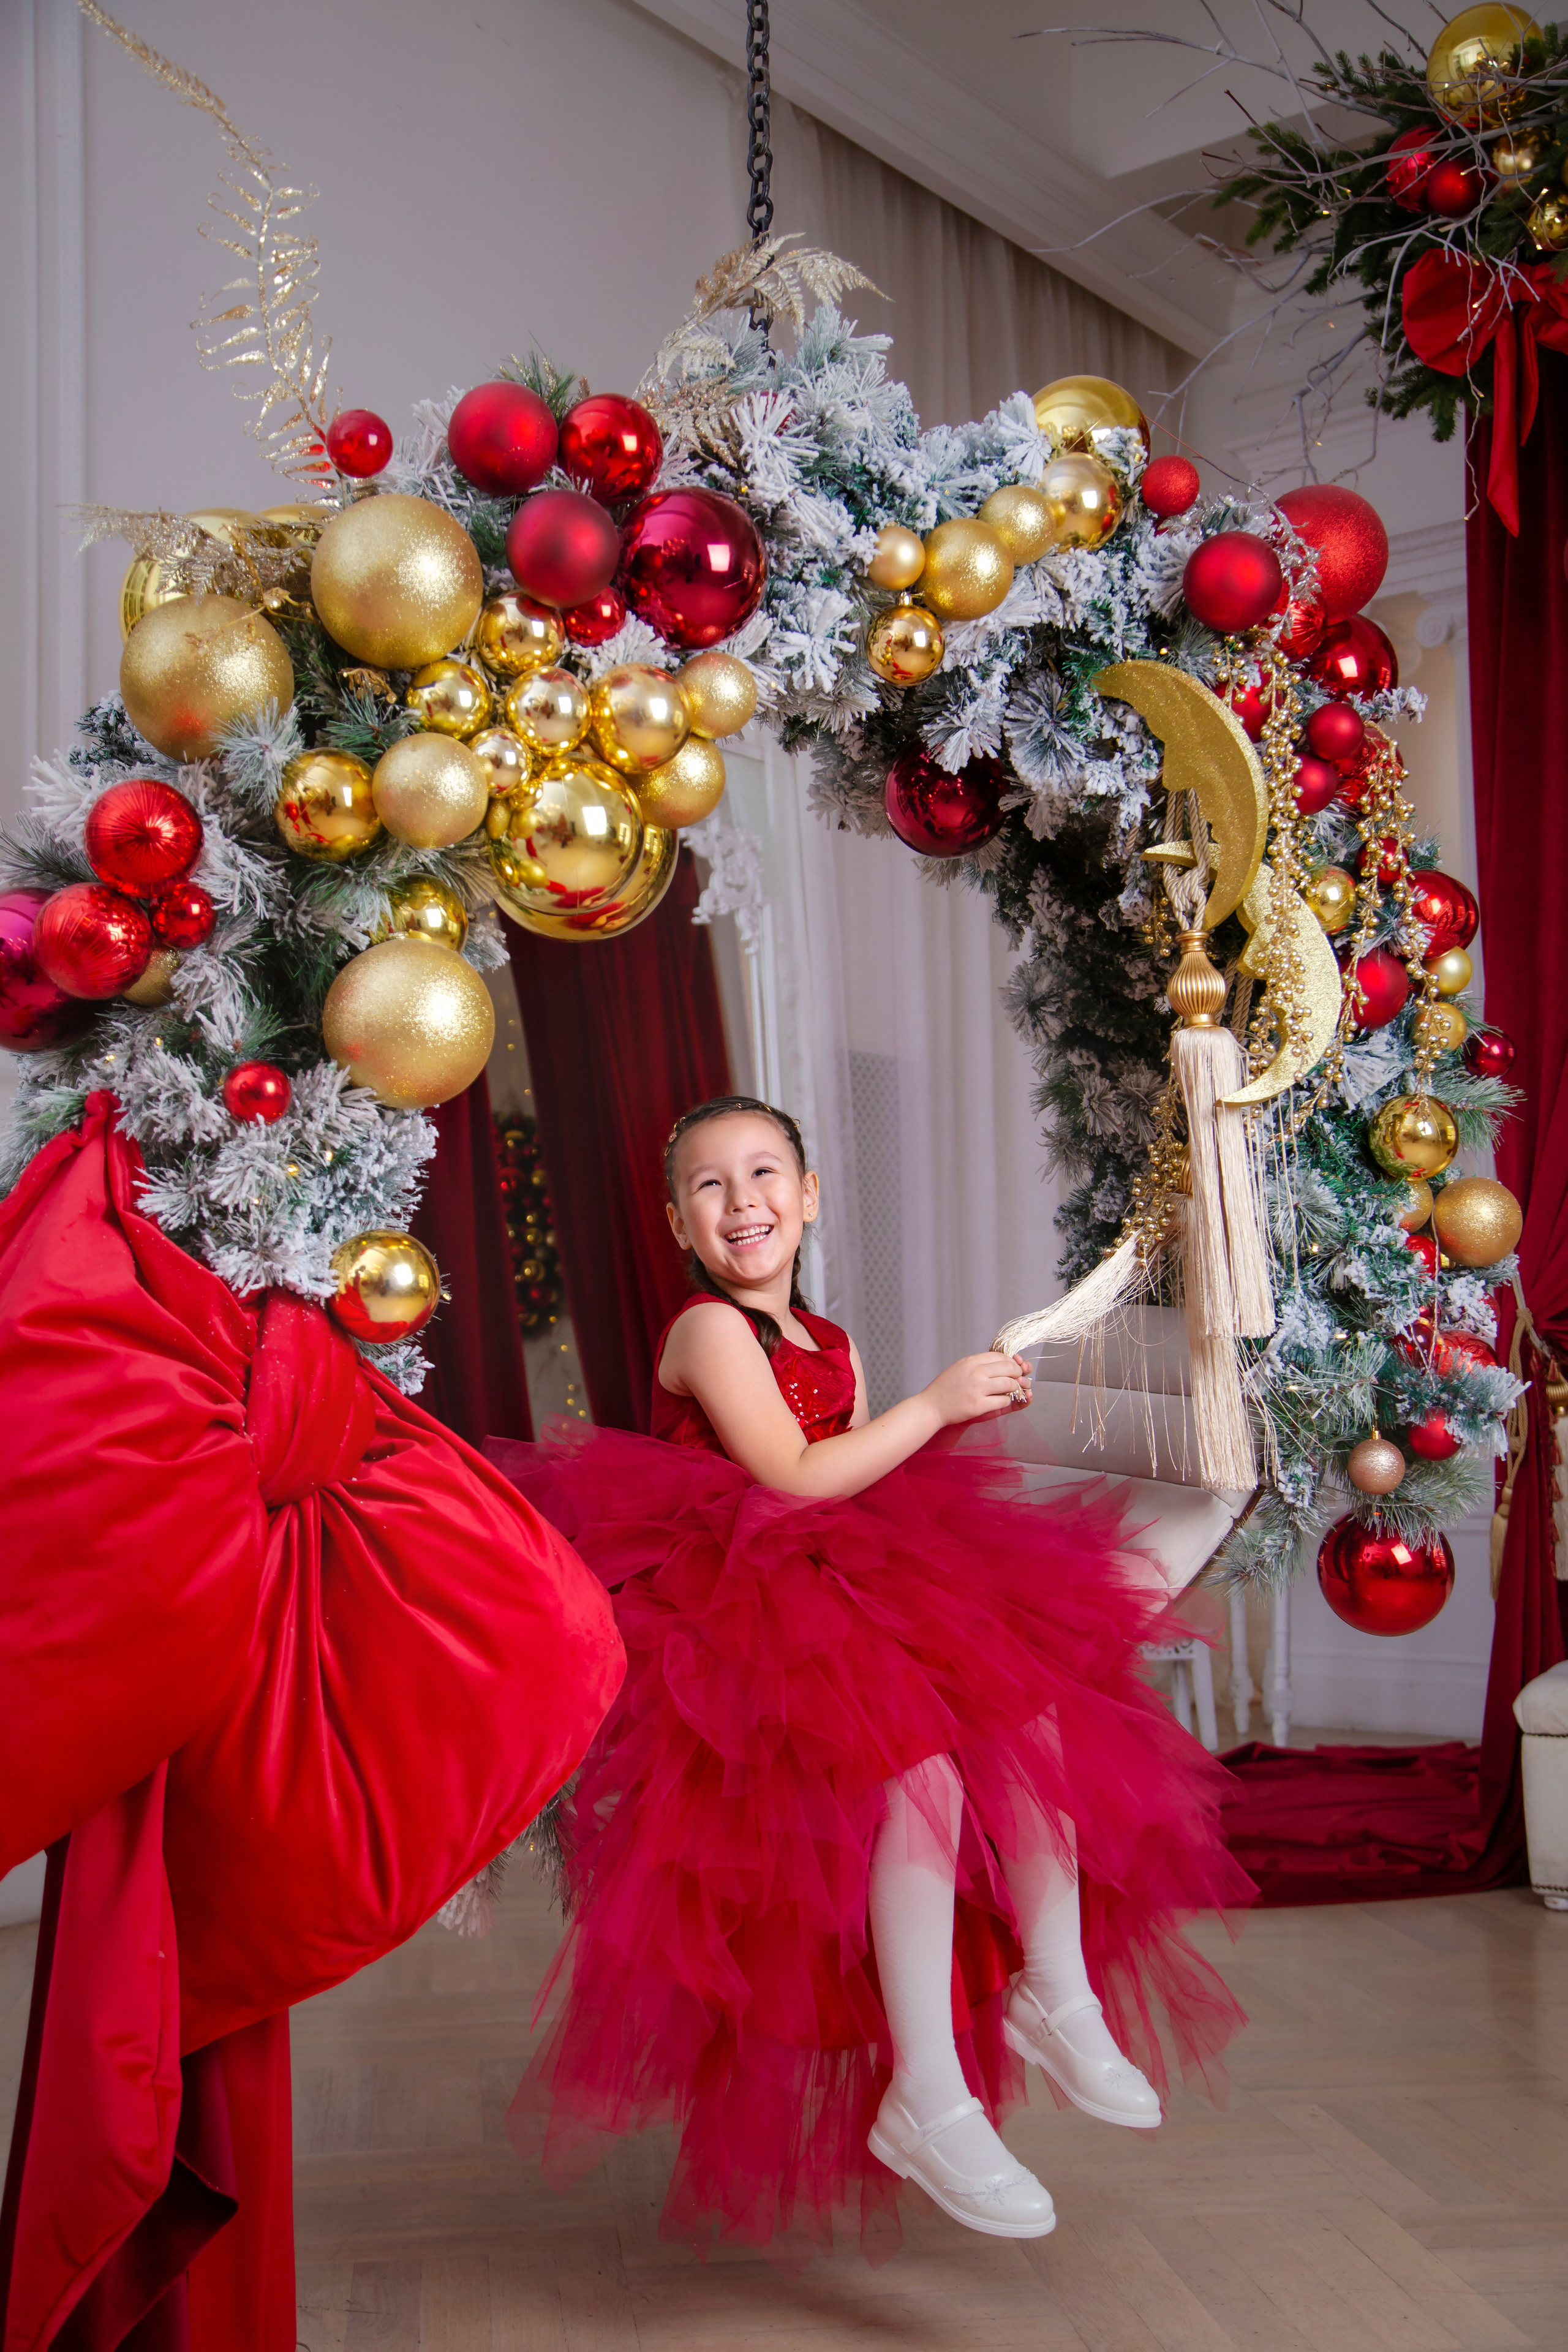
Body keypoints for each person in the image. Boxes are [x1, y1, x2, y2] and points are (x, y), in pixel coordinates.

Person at [488, 1095, 1250, 2256]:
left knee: (1034, 1711)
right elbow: (792, 1474)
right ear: (680, 1225)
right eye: (710, 1185)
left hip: (847, 1577)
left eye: (764, 1174)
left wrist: (945, 1422)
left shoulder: (824, 1340)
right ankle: (927, 2094)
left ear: (810, 1196)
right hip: (737, 1611)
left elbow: (851, 1471)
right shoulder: (707, 1332)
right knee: (923, 1777)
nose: (743, 1202)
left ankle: (1056, 1987)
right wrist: (933, 1402)